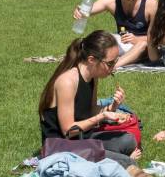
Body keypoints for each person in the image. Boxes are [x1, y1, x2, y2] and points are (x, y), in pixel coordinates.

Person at [38, 31, 140, 168]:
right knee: (126, 163)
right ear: (91, 60)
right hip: (60, 147)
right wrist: (102, 117)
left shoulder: (92, 77)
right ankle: (121, 160)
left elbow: (90, 111)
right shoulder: (67, 82)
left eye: (115, 61)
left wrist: (113, 107)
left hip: (82, 139)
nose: (113, 68)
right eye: (110, 63)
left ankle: (109, 157)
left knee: (128, 140)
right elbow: (69, 130)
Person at [72, 0, 158, 69]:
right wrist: (80, 11)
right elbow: (88, 10)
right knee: (101, 37)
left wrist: (137, 39)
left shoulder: (151, 3)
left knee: (142, 45)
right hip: (121, 42)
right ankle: (83, 58)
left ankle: (112, 66)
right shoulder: (112, 1)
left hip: (145, 45)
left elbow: (160, 35)